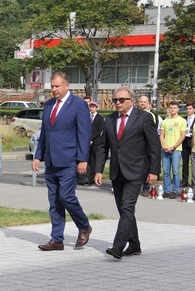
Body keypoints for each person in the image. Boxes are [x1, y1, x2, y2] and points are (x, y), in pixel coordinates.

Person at [94, 87, 161, 259]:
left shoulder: (144, 118)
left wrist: (154, 171)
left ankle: (118, 246)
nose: (118, 103)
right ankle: (135, 244)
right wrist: (99, 170)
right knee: (124, 210)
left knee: (127, 208)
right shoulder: (109, 120)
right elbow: (102, 147)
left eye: (121, 100)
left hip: (136, 171)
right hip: (117, 172)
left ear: (132, 100)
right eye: (115, 100)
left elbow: (154, 147)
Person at [32, 71, 93, 251]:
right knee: (54, 202)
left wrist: (83, 159)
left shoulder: (79, 105)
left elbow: (84, 133)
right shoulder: (49, 104)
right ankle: (57, 239)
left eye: (57, 86)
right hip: (51, 161)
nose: (54, 90)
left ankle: (84, 226)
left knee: (66, 196)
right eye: (52, 86)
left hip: (69, 160)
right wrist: (38, 155)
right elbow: (45, 132)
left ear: (67, 85)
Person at [160, 101, 186, 199]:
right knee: (166, 171)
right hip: (165, 149)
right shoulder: (165, 121)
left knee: (175, 171)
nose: (173, 110)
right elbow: (162, 135)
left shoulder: (182, 121)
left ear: (178, 109)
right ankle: (166, 190)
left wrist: (174, 147)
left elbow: (182, 136)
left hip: (176, 149)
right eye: (171, 108)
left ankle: (175, 190)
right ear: (169, 109)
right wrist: (163, 145)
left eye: (174, 108)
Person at [138, 95, 162, 196]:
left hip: (149, 144)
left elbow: (158, 130)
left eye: (144, 102)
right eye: (141, 101)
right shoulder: (135, 114)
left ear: (149, 104)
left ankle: (146, 187)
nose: (142, 103)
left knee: (147, 165)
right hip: (138, 145)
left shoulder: (154, 116)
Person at [83, 101, 105, 185]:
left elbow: (99, 130)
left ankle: (92, 178)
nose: (91, 108)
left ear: (96, 108)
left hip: (95, 142)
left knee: (93, 161)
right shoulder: (86, 117)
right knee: (86, 160)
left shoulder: (100, 118)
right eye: (90, 107)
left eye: (93, 107)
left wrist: (91, 138)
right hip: (86, 141)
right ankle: (85, 177)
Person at [182, 102, 195, 187]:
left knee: (193, 163)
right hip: (185, 141)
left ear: (194, 109)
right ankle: (185, 180)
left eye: (190, 109)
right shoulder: (184, 119)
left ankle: (193, 181)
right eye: (187, 109)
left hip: (193, 140)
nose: (188, 110)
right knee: (185, 162)